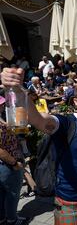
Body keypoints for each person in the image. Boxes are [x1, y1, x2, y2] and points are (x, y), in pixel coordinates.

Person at [1, 68, 77, 224]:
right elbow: (40, 120)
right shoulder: (66, 124)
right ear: (75, 101)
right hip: (72, 204)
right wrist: (19, 92)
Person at [0, 95, 28, 225]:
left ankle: (3, 218)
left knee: (2, 194)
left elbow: (20, 132)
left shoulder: (4, 117)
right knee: (12, 194)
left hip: (7, 163)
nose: (3, 105)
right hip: (8, 164)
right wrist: (14, 162)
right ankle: (12, 220)